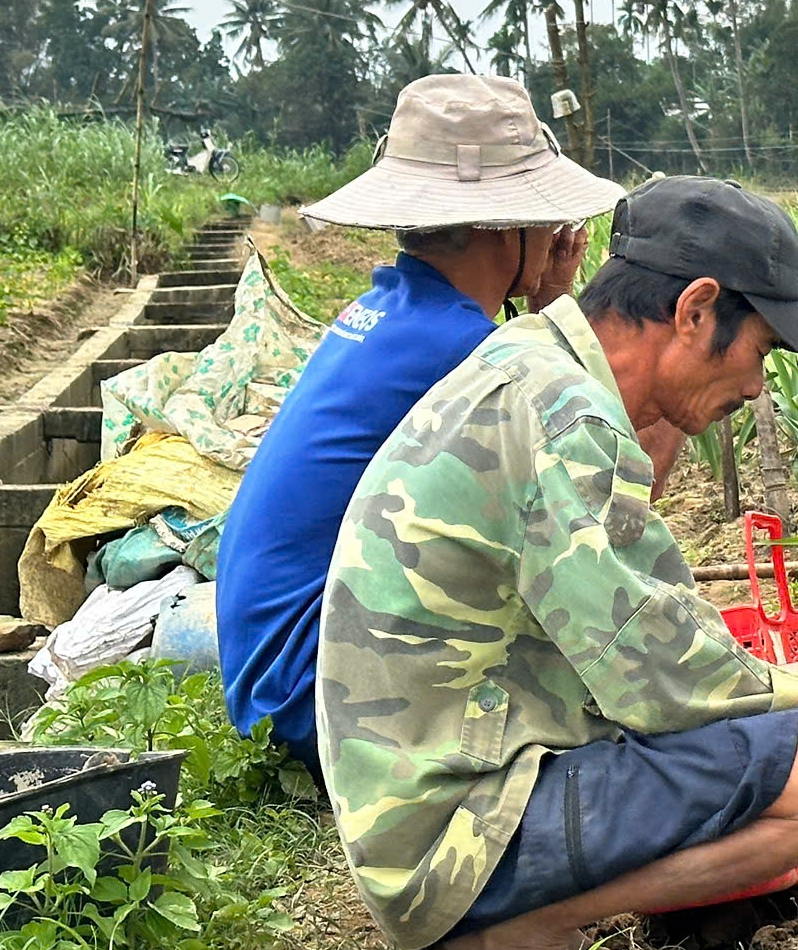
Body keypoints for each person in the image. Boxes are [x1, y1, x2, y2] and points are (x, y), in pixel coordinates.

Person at [318, 177, 798, 950]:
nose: (758, 388)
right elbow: (655, 676)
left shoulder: (539, 364)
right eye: (760, 350)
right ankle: (506, 934)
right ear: (695, 310)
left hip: (441, 772)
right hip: (444, 832)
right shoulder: (565, 417)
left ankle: (530, 909)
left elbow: (650, 618)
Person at [216, 74, 623, 771]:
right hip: (316, 698)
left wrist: (547, 298)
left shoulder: (400, 315)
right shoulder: (458, 349)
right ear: (506, 224)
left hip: (272, 678)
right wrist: (557, 306)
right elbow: (587, 465)